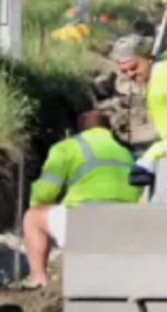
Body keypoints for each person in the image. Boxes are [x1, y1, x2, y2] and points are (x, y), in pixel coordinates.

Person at [22, 111, 140, 287]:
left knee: (32, 217)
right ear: (108, 130)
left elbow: (46, 190)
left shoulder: (67, 147)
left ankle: (39, 281)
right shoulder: (125, 152)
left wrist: (37, 204)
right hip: (124, 224)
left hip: (85, 223)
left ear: (79, 130)